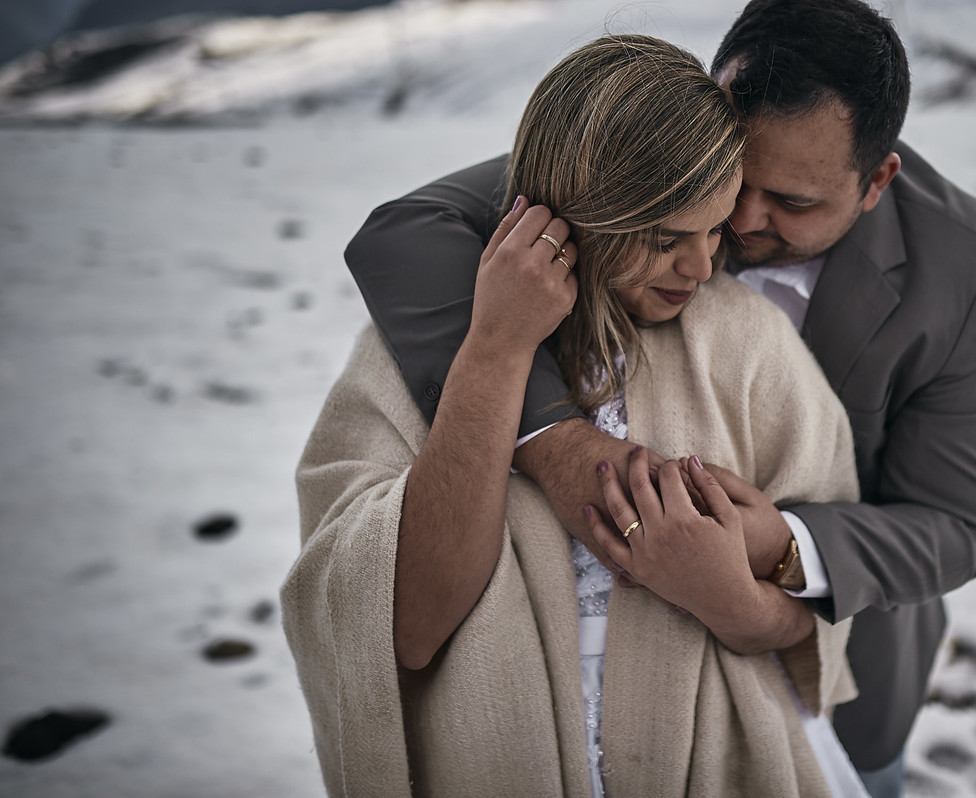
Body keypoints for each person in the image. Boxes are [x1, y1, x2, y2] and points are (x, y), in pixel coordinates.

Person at [341, 2, 976, 795]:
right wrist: (551, 438)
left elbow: (954, 525)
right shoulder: (670, 164)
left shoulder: (961, 264)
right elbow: (409, 230)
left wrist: (775, 545)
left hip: (839, 674)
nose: (739, 221)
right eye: (736, 177)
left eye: (792, 203)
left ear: (876, 181)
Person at [283, 35, 867, 797]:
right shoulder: (414, 353)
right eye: (665, 239)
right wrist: (495, 351)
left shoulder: (748, 346)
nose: (702, 267)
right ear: (574, 218)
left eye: (716, 228)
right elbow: (406, 629)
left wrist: (729, 598)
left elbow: (819, 602)